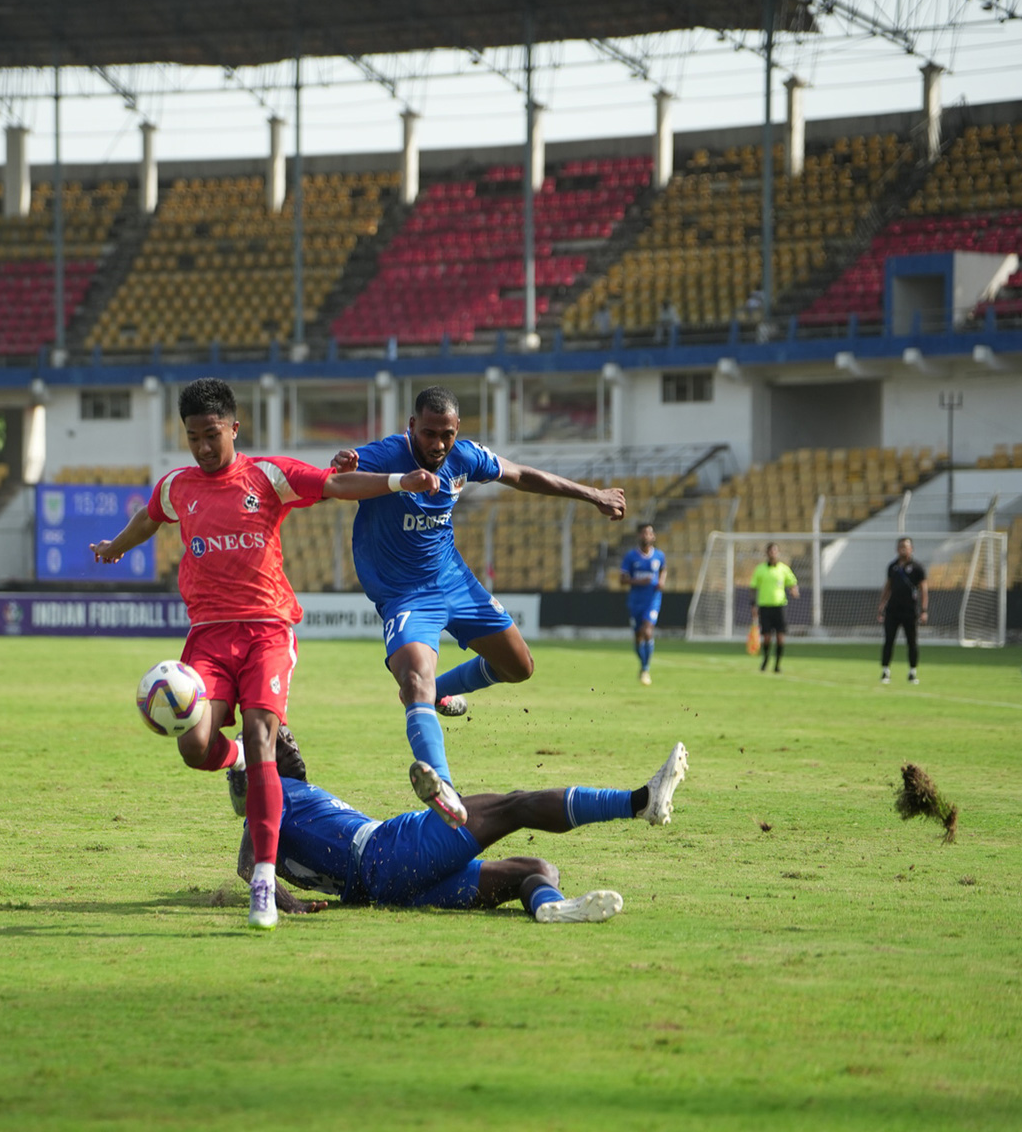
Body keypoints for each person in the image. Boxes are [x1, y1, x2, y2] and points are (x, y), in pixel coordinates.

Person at [91, 377, 439, 930]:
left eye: (212, 435)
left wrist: (400, 480)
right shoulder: (177, 486)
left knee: (260, 733)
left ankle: (262, 883)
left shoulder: (268, 476)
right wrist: (115, 545)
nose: (204, 447)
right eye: (193, 437)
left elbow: (338, 485)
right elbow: (150, 517)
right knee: (196, 747)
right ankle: (241, 763)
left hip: (267, 632)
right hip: (207, 637)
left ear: (234, 427)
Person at [333, 386, 626, 829]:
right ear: (412, 426)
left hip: (455, 582)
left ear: (456, 432)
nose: (437, 444)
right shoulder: (384, 454)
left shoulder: (464, 457)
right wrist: (349, 468)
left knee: (519, 666)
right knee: (413, 677)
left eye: (446, 435)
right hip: (406, 595)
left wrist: (592, 494)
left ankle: (436, 694)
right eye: (429, 433)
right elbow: (332, 485)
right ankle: (444, 788)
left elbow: (521, 475)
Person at [237, 743, 688, 921]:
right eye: (282, 738)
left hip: (389, 887)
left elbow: (253, 859)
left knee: (535, 869)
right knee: (516, 805)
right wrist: (289, 906)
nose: (291, 744)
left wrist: (290, 899)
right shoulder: (272, 790)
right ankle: (639, 802)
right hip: (388, 850)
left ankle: (552, 909)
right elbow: (247, 863)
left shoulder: (278, 801)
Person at [620, 523, 666, 685]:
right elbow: (622, 579)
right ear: (639, 536)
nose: (647, 536)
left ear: (653, 536)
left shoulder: (659, 555)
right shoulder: (631, 557)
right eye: (644, 533)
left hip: (653, 601)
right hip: (635, 602)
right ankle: (643, 665)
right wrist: (639, 581)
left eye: (650, 533)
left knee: (648, 632)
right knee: (638, 637)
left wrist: (661, 581)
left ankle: (646, 669)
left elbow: (663, 569)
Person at [877, 536, 927, 684]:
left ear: (912, 549)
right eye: (900, 547)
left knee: (912, 642)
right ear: (897, 549)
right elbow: (888, 587)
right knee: (888, 641)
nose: (903, 549)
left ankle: (912, 672)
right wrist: (881, 605)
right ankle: (885, 671)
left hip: (910, 611)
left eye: (906, 547)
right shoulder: (893, 567)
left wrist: (924, 610)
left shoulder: (918, 568)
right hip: (893, 611)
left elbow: (924, 590)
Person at [748, 543, 800, 674]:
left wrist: (794, 590)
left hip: (779, 606)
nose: (772, 553)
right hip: (765, 607)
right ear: (767, 553)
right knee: (766, 637)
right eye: (770, 551)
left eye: (775, 551)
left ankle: (777, 664)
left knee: (780, 636)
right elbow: (753, 587)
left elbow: (792, 582)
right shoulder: (760, 569)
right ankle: (765, 660)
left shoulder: (783, 569)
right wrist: (753, 604)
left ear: (778, 552)